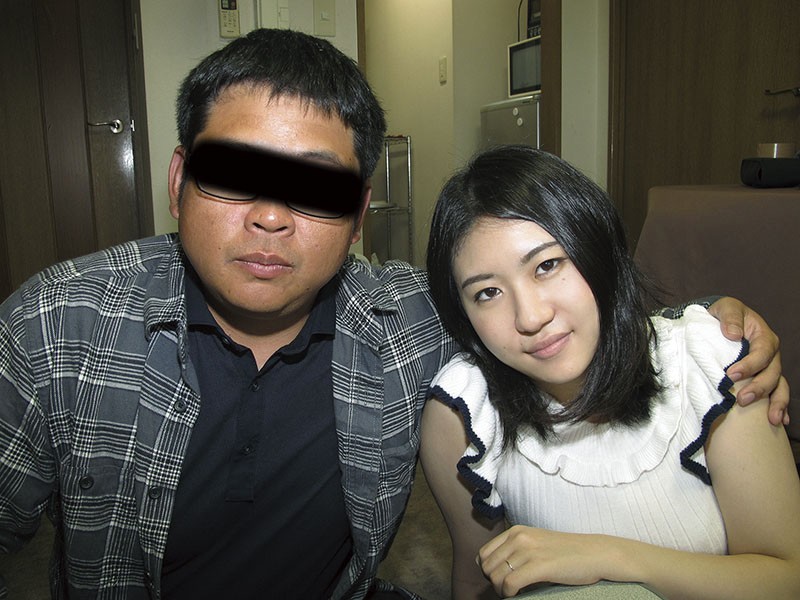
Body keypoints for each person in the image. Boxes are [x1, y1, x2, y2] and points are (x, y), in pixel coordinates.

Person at [0, 29, 787, 600]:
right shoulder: (57, 325)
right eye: (234, 175)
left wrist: (718, 324)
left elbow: (557, 309)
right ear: (178, 181)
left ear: (358, 215)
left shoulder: (410, 319)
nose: (271, 216)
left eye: (315, 188)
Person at [420, 145, 800, 599]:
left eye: (547, 265)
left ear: (596, 248)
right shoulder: (464, 414)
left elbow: (786, 578)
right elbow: (477, 577)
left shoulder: (711, 364)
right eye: (487, 293)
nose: (530, 317)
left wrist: (608, 557)